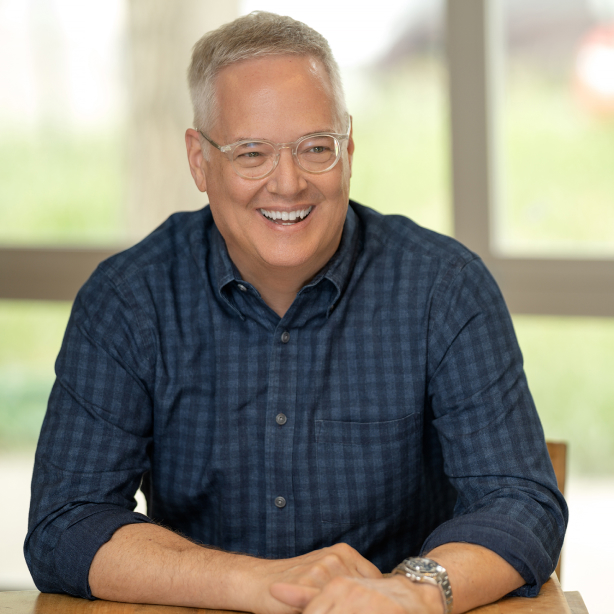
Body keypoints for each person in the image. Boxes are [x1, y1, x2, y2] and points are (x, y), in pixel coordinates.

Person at [25, 11, 567, 614]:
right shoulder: (128, 300)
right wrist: (255, 584)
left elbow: (521, 503)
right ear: (200, 160)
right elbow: (64, 524)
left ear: (350, 148)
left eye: (316, 148)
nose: (288, 183)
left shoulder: (446, 288)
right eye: (251, 152)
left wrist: (411, 592)